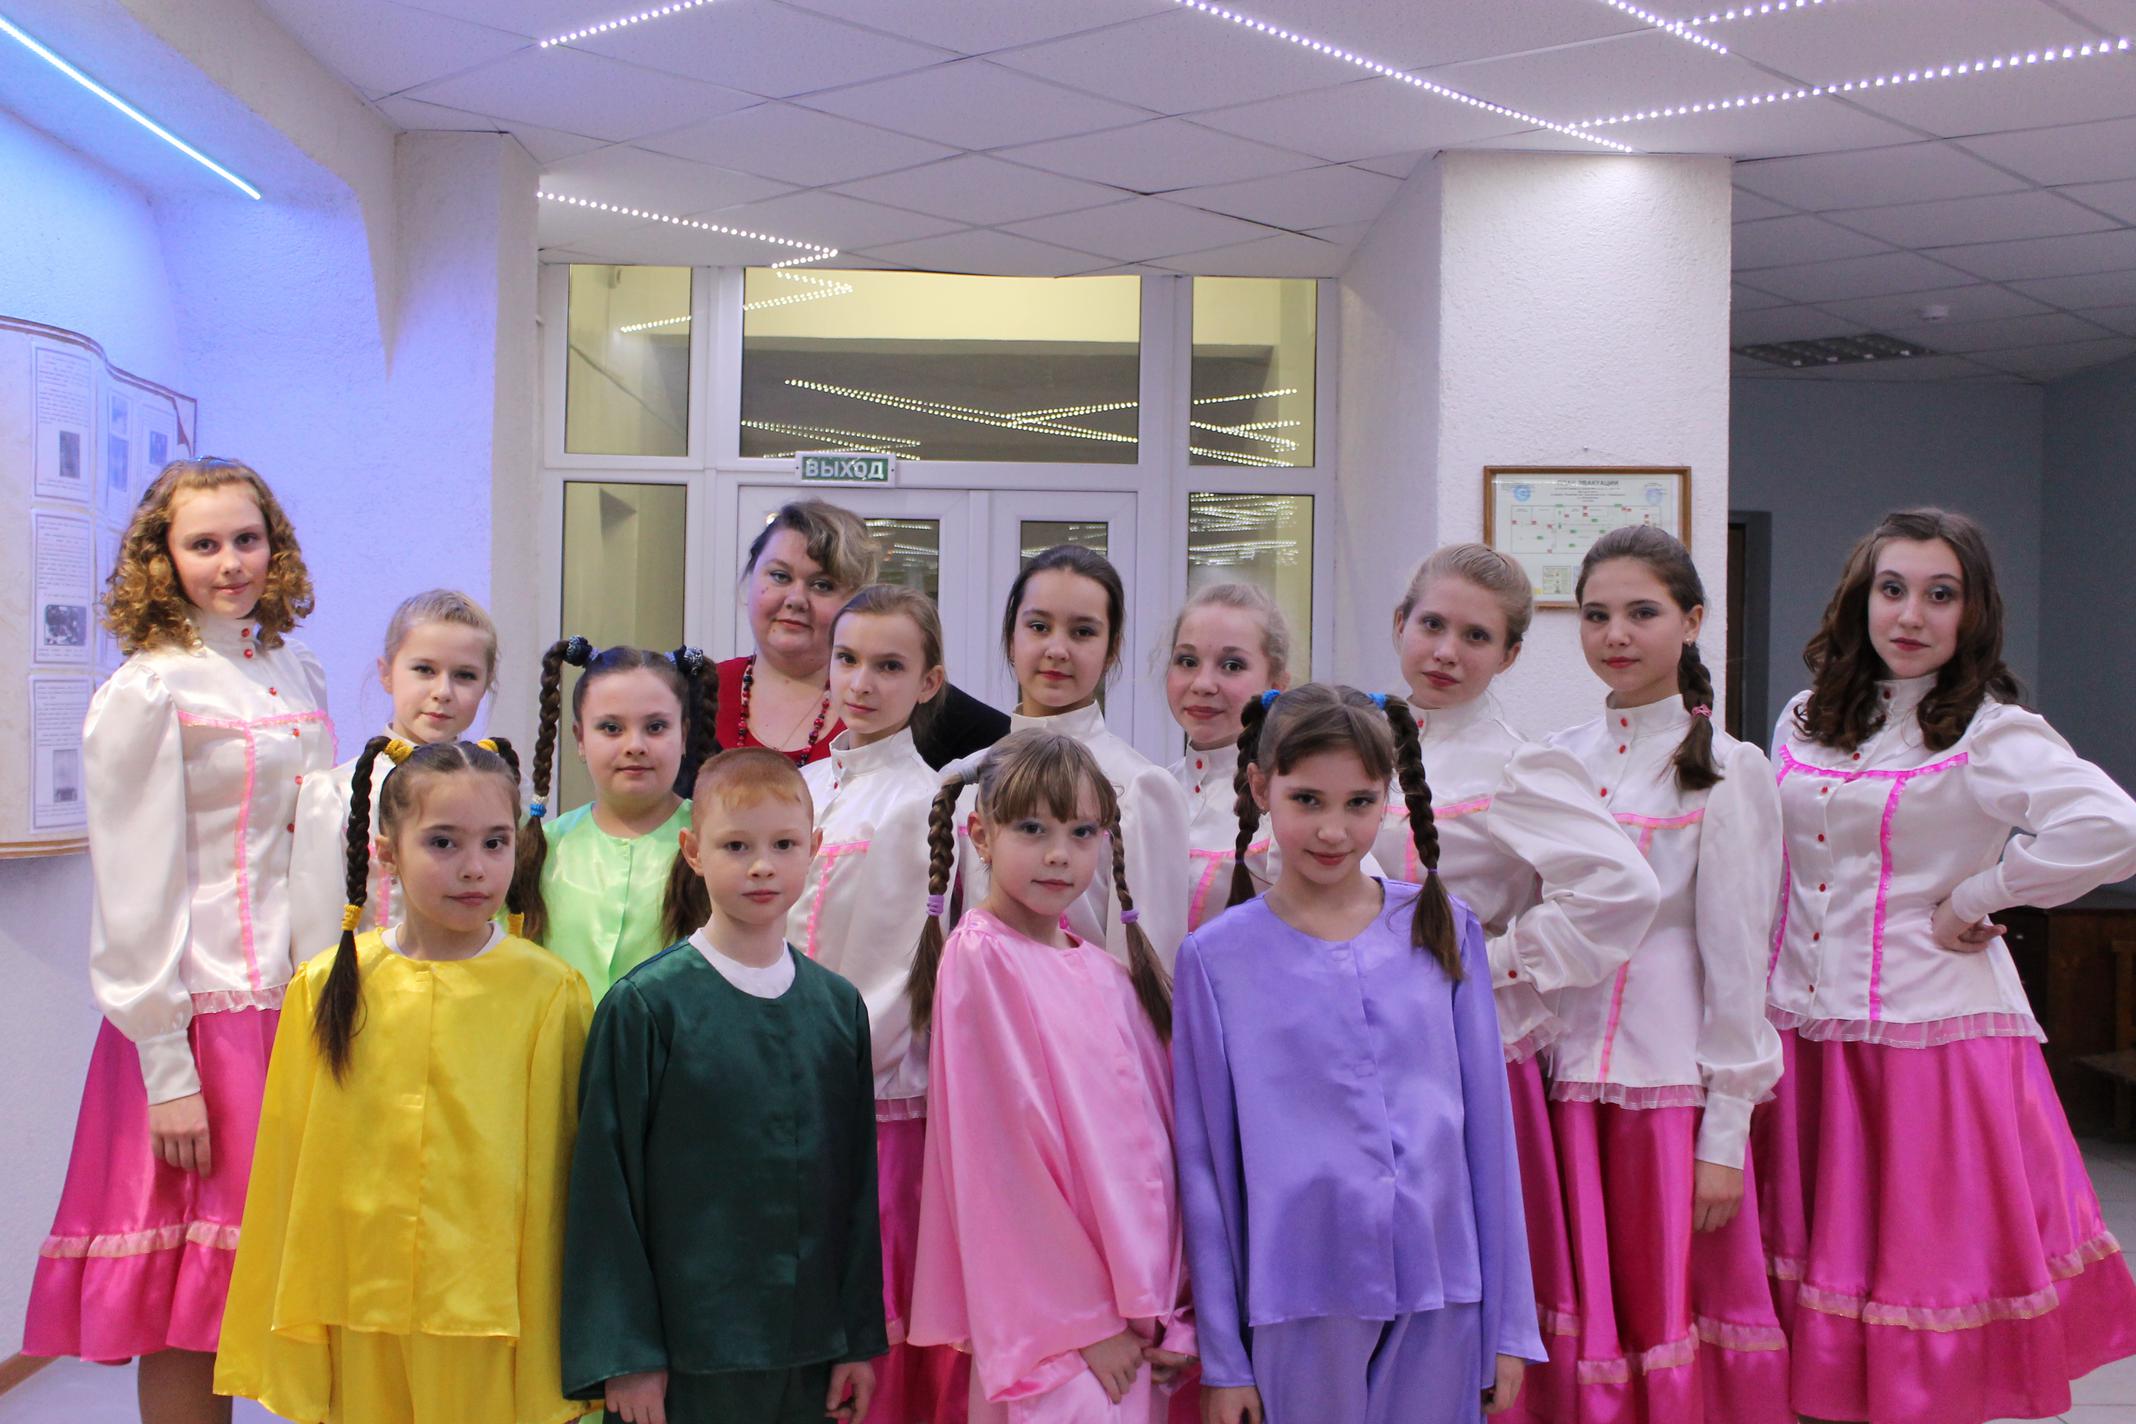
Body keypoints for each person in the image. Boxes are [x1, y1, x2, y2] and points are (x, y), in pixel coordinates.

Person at [1757, 508, 2136, 1424]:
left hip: (1929, 1043)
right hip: (1800, 1033)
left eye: (1940, 595)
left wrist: (1978, 895)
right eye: (1893, 589)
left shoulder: (1990, 732)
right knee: (1806, 1290)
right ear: (1862, 598)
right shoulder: (1803, 718)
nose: (1911, 616)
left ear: (1972, 613)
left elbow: (2113, 827)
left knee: (1922, 1277)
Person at [24, 458, 332, 1424]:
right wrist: (168, 1069)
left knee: (267, 1281)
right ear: (163, 560)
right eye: (204, 544)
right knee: (189, 1297)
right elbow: (133, 886)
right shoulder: (148, 690)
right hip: (199, 1014)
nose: (231, 562)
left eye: (247, 539)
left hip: (295, 1002)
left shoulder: (293, 668)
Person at [1174, 683, 1544, 1424]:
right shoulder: (1215, 959)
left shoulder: (1443, 930)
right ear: (1261, 788)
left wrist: (1508, 1328)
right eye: (1307, 800)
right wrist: (1225, 1359)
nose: (1333, 830)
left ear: (1388, 798)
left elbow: (1489, 1139)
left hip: (1443, 1293)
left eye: (1359, 803)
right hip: (1296, 1298)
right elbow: (1205, 1166)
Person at [214, 737, 591, 1424]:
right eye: (443, 843)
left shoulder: (549, 992)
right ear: (386, 854)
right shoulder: (326, 986)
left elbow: (560, 1174)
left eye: (496, 843)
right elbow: (288, 1167)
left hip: (487, 1307)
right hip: (359, 1298)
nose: (474, 868)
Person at [1381, 545, 1660, 1419]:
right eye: (1432, 625)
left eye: (1476, 637)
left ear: (1508, 656)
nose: (1445, 651)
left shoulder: (1515, 765)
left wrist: (1484, 962)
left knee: (1458, 1269)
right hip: (1358, 1048)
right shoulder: (1361, 740)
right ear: (1399, 624)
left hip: (1467, 1055)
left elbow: (1623, 890)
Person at [1542, 526, 1789, 1420]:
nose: (1616, 635)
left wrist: (1725, 1134)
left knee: (1663, 1298)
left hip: (1666, 1086)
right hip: (1559, 1075)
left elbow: (1741, 960)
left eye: (1641, 613)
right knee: (1573, 1296)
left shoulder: (1729, 770)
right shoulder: (1554, 759)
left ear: (1691, 621)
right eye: (1596, 614)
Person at [565, 748, 885, 1424]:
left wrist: (855, 1340)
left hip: (808, 1355)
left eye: (783, 845)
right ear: (693, 851)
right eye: (737, 845)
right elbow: (604, 1189)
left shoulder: (837, 1008)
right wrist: (627, 1355)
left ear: (814, 848)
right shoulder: (647, 1006)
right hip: (683, 1362)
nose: (762, 865)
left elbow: (856, 1187)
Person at [909, 729, 1194, 1424]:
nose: (1060, 853)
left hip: (1137, 1322)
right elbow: (1000, 1161)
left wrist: (1171, 1311)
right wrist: (1084, 1321)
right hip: (1065, 1338)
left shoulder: (1106, 973)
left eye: (1080, 831)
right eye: (1032, 829)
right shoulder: (981, 958)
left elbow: (1154, 1152)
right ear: (981, 833)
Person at [789, 583, 963, 1424]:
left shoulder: (926, 803)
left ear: (929, 682)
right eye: (848, 659)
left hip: (866, 1102)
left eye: (889, 666)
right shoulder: (802, 783)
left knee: (864, 1320)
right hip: (782, 1085)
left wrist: (821, 1071)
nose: (861, 683)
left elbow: (903, 976)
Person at [956, 546, 1192, 969]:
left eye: (1082, 632)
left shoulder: (1140, 787)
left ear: (1112, 649)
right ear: (1011, 638)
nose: (1057, 649)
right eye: (1039, 626)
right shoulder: (962, 781)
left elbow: (1149, 971)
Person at [716, 499, 1006, 772]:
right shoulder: (698, 688)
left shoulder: (907, 698)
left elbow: (1013, 747)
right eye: (780, 576)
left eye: (822, 585)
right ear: (749, 579)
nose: (796, 599)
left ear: (856, 601)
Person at [289, 588, 500, 952]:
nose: (443, 691)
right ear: (386, 673)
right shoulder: (335, 794)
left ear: (486, 685)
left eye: (465, 675)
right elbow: (317, 945)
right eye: (424, 670)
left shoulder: (498, 790)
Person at [515, 640, 713, 1000]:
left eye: (656, 727)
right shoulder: (545, 847)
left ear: (683, 735)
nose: (635, 745)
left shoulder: (718, 846)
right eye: (611, 728)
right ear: (579, 738)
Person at [1162, 583, 1295, 930]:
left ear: (1276, 685)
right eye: (1187, 661)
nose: (1203, 684)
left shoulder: (1293, 800)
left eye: (1232, 665)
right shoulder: (1149, 788)